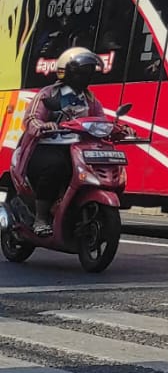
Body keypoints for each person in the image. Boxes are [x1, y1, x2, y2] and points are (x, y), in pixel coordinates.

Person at [18, 48, 108, 236]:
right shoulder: (49, 93)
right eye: (81, 72)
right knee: (55, 168)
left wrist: (120, 130)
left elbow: (101, 121)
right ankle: (40, 219)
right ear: (66, 71)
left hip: (77, 148)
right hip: (46, 146)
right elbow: (32, 118)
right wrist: (43, 126)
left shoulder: (90, 99)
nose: (86, 77)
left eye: (89, 72)